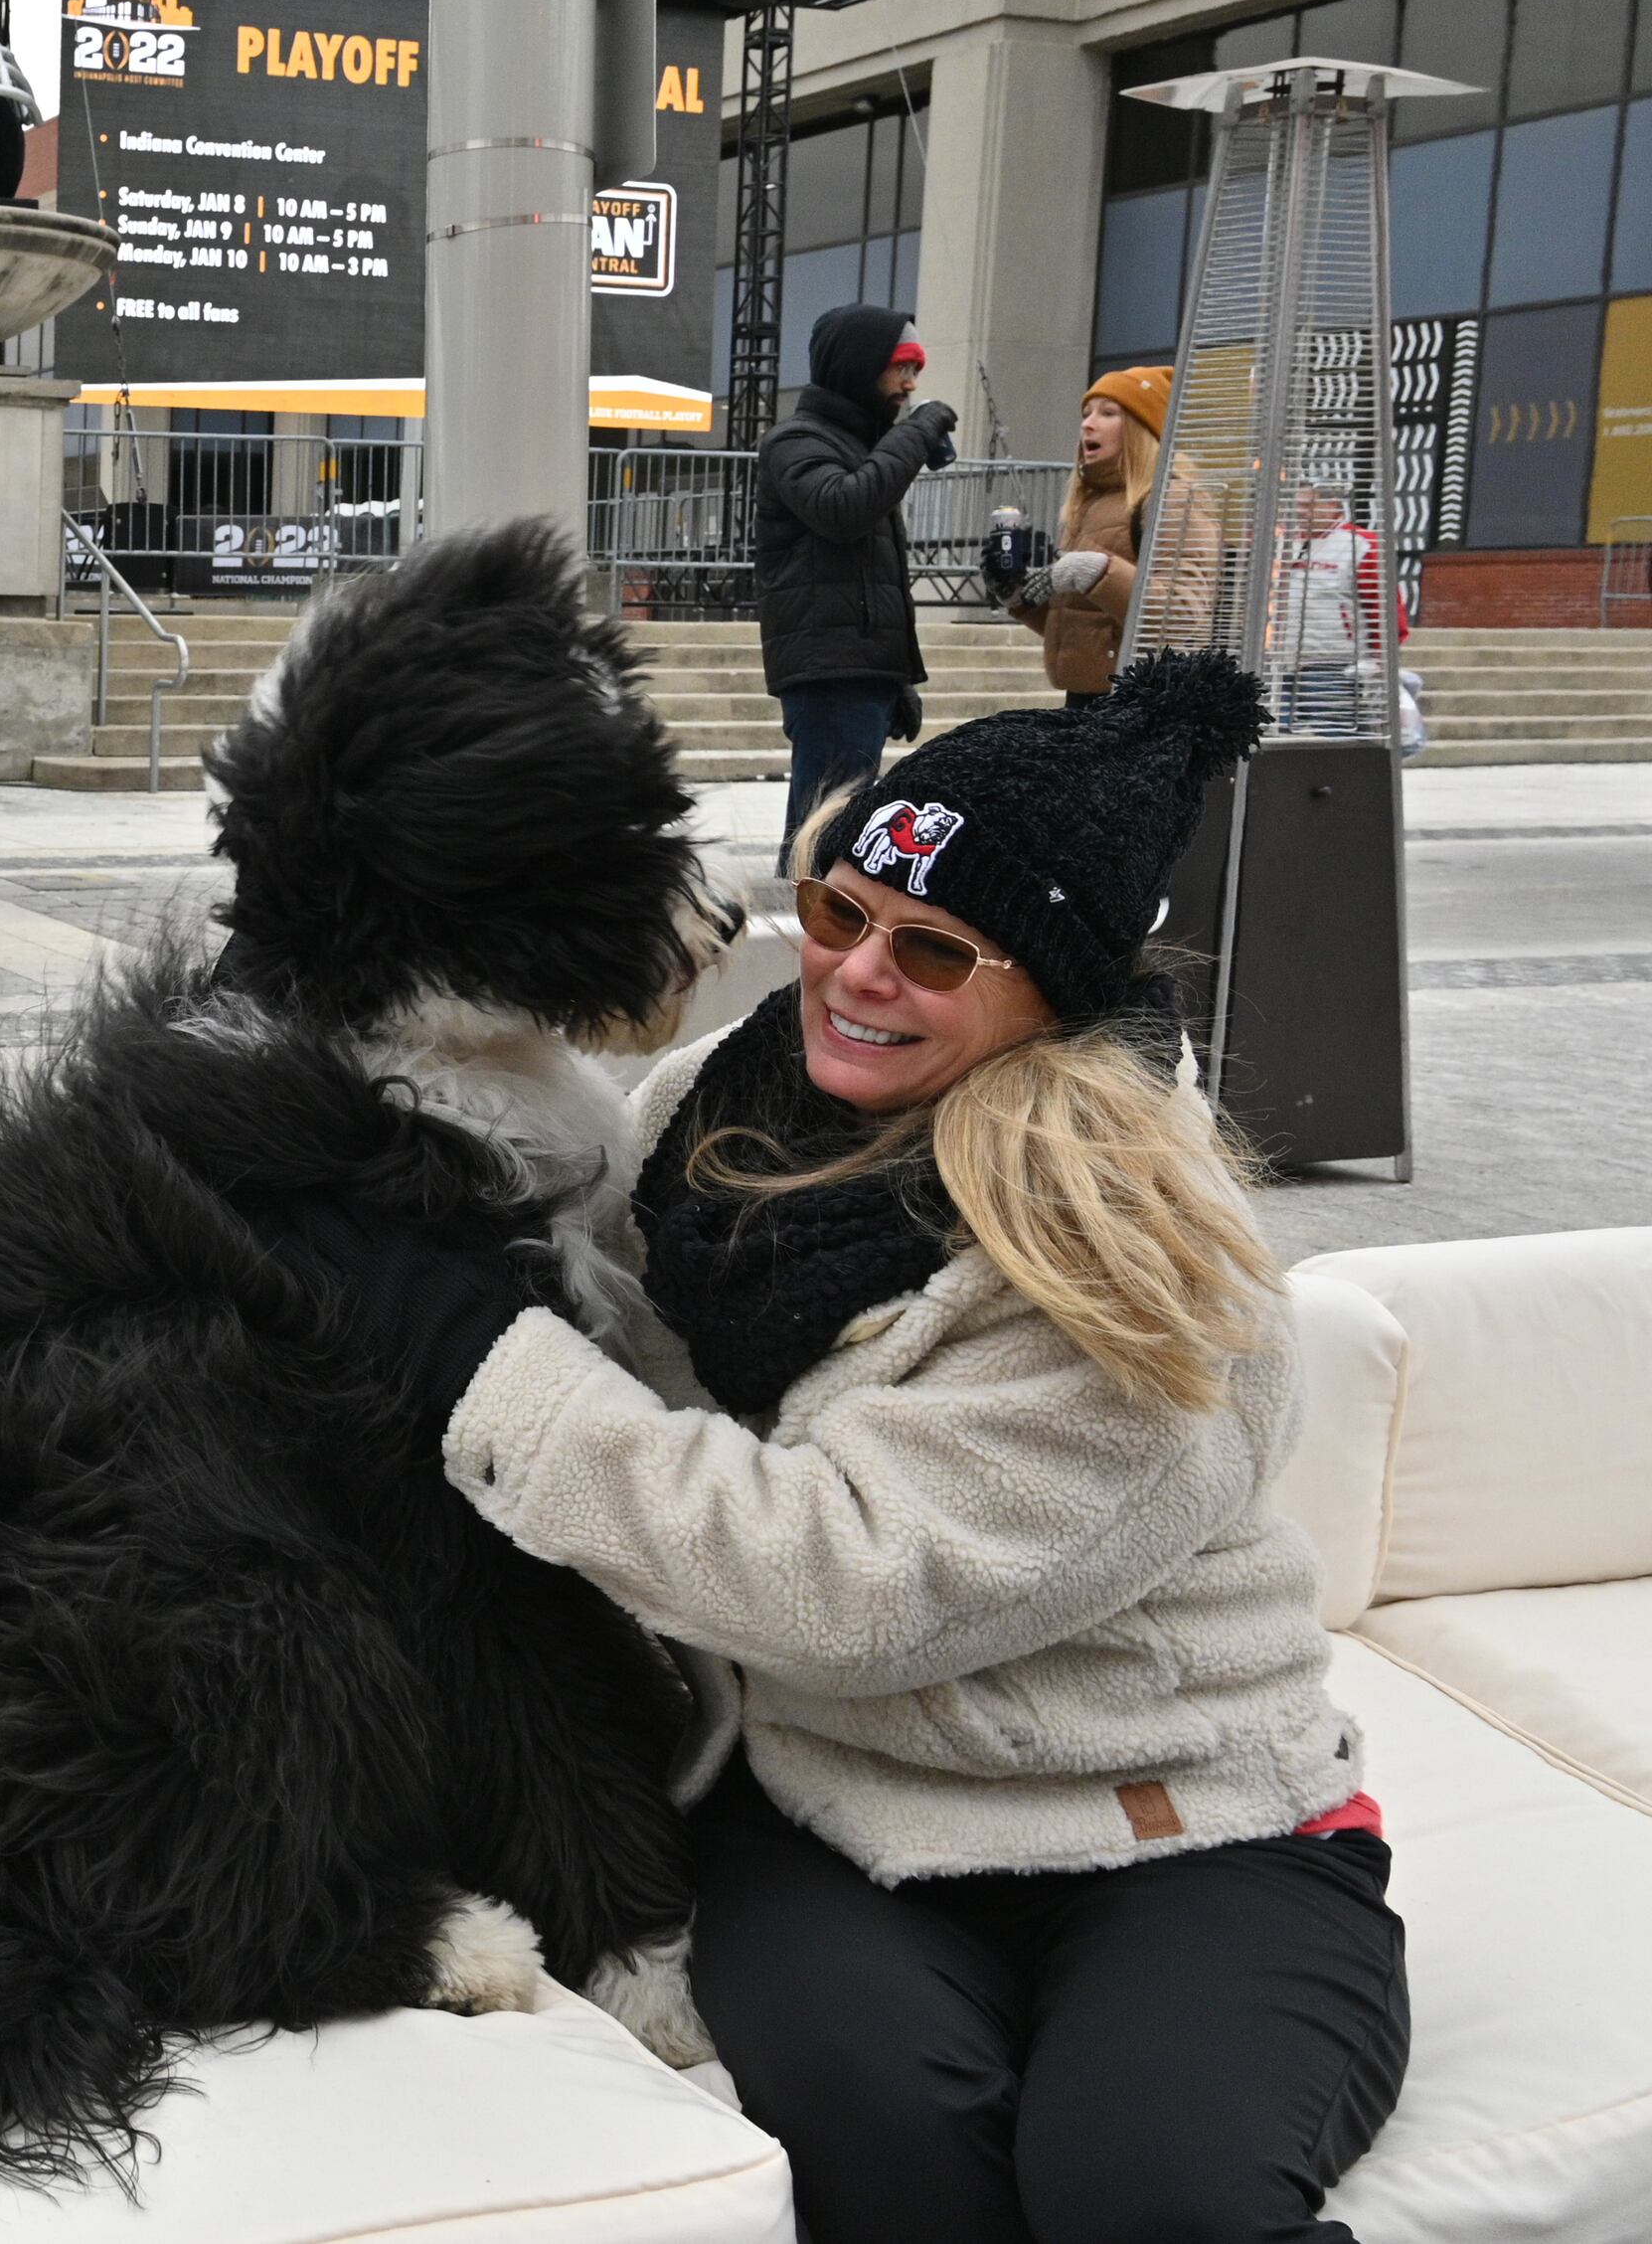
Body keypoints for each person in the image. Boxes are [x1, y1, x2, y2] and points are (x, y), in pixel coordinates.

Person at [432, 653, 1408, 2243]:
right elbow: (555, 1282)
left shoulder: (1138, 1258)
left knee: (1150, 2194)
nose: (858, 973)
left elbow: (846, 1583)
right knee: (885, 2138)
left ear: (1053, 991)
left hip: (1179, 1832)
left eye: (935, 948)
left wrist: (479, 1372)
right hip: (830, 1810)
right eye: (839, 912)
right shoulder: (710, 1110)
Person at [754, 303, 955, 853]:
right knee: (823, 834)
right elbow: (843, 509)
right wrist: (917, 431)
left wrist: (895, 676)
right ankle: (808, 909)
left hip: (858, 669)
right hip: (829, 672)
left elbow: (873, 577)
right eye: (902, 366)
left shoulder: (861, 448)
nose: (911, 383)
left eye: (916, 369)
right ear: (859, 364)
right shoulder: (796, 441)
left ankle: (819, 907)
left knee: (839, 830)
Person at [1011, 364, 1165, 705]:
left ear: (1143, 428)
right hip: (1085, 700)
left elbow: (1183, 619)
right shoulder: (1088, 504)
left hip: (1141, 702)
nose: (1087, 424)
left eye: (1108, 413)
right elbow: (1086, 625)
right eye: (1086, 413)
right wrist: (1016, 594)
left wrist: (1095, 570)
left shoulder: (1172, 499)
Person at [1268, 481, 1391, 738]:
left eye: (1308, 505)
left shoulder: (1361, 544)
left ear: (1332, 505)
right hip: (1283, 662)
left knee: (1334, 735)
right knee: (1274, 737)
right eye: (1298, 505)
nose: (1301, 512)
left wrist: (1378, 658)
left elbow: (1383, 607)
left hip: (1333, 663)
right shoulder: (1285, 543)